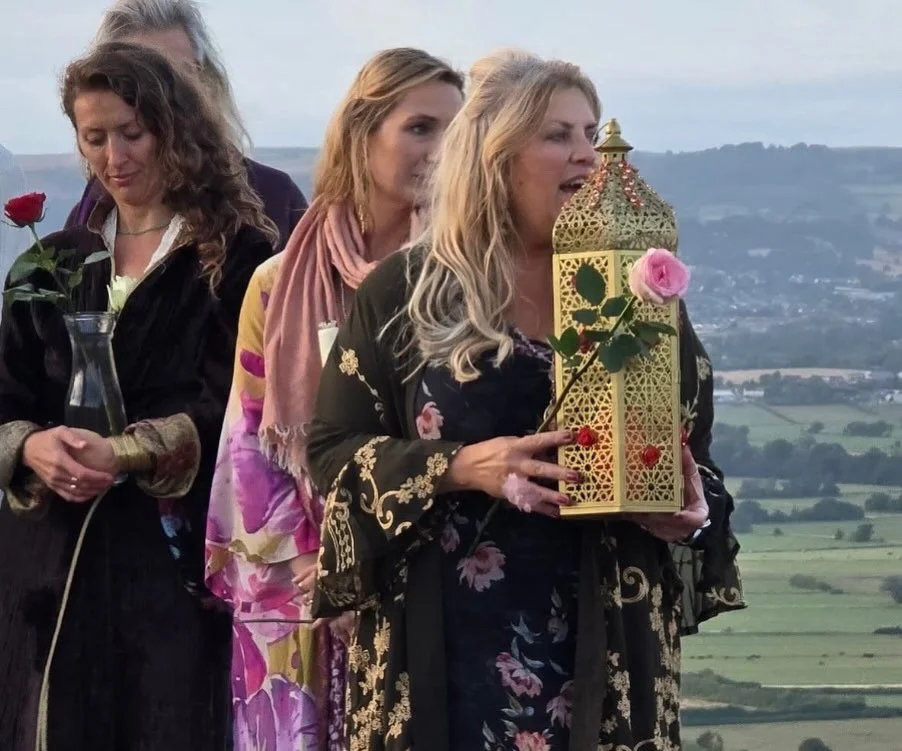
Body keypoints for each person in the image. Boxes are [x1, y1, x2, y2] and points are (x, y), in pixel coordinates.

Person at [303, 50, 744, 750]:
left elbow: (701, 469)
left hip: (608, 652)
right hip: (444, 658)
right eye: (558, 135)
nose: (587, 156)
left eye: (591, 135)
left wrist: (688, 512)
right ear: (495, 154)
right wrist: (460, 465)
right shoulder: (408, 293)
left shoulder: (637, 296)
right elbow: (329, 450)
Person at [0, 42, 276, 750]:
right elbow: (5, 390)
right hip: (48, 570)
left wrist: (124, 452)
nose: (115, 155)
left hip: (172, 563)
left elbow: (244, 405)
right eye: (96, 138)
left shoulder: (237, 255)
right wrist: (32, 443)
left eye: (133, 132)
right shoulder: (51, 261)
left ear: (173, 129)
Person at [203, 46, 463, 750]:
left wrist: (366, 563)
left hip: (415, 584)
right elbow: (249, 453)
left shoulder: (462, 288)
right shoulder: (276, 284)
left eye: (457, 133)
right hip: (295, 602)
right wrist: (323, 574)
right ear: (360, 134)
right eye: (420, 128)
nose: (441, 152)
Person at [65, 0, 306, 249]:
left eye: (180, 75)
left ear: (206, 79)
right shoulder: (90, 218)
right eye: (140, 81)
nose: (169, 98)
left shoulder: (275, 198)